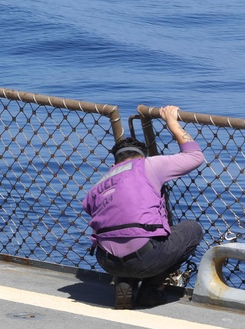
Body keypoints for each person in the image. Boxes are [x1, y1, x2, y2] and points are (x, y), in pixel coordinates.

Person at [83, 105, 205, 310]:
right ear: (143, 156)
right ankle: (150, 290)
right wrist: (172, 122)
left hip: (107, 260)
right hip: (146, 258)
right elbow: (195, 156)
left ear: (117, 160)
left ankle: (124, 279)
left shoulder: (96, 187)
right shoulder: (148, 165)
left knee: (121, 231)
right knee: (193, 230)